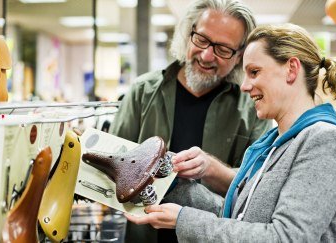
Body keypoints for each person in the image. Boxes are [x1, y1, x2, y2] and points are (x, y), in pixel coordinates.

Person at [125, 23, 336, 242]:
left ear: (291, 69)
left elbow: (285, 238)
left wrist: (184, 220)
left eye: (255, 72)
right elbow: (239, 218)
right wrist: (171, 183)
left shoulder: (326, 141)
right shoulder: (275, 143)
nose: (245, 86)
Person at [109, 0, 271, 242]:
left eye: (223, 49)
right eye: (202, 40)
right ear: (188, 33)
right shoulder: (143, 92)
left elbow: (256, 194)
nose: (207, 55)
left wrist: (212, 169)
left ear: (239, 56)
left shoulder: (251, 108)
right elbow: (111, 161)